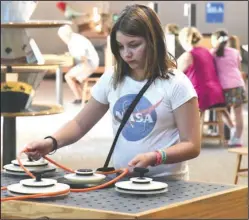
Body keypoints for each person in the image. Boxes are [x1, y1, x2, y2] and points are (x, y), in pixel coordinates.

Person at [25, 4, 201, 180]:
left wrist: (155, 157)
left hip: (167, 184)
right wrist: (50, 142)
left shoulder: (177, 84)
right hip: (123, 180)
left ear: (153, 41)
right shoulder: (112, 78)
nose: (126, 54)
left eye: (134, 45)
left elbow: (191, 145)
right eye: (121, 47)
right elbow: (80, 124)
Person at [177, 27, 234, 131]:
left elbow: (176, 74)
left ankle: (186, 134)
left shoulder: (189, 55)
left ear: (184, 40)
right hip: (217, 94)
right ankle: (233, 129)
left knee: (175, 102)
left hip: (201, 95)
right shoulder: (206, 51)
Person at [210, 30, 247, 146]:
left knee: (222, 110)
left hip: (223, 86)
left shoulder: (212, 53)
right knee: (238, 113)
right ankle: (237, 139)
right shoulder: (235, 52)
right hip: (237, 84)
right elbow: (238, 68)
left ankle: (232, 127)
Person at [58, 25, 99, 104]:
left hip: (89, 63)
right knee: (73, 77)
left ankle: (80, 98)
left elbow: (83, 57)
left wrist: (83, 71)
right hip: (89, 62)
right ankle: (82, 97)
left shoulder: (75, 41)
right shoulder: (74, 38)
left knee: (68, 76)